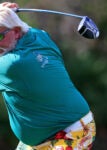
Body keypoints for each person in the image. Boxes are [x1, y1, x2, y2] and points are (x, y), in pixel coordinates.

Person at [0, 2, 96, 150]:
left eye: (0, 36)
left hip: (72, 132)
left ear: (17, 31)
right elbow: (26, 29)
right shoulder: (40, 36)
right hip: (43, 138)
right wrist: (9, 16)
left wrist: (8, 16)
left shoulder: (12, 65)